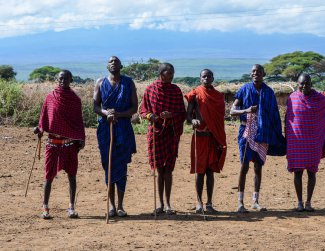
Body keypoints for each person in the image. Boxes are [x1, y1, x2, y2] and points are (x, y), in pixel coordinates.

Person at [230, 64, 286, 213]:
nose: (256, 74)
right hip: (246, 131)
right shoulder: (244, 89)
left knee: (258, 166)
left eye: (259, 72)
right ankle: (240, 202)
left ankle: (255, 201)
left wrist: (276, 134)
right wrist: (246, 110)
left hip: (263, 132)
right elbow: (232, 111)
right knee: (244, 166)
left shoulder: (268, 92)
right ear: (251, 74)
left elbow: (274, 114)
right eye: (254, 71)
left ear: (263, 74)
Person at [34, 70, 86, 219]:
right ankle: (45, 208)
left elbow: (78, 122)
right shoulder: (50, 97)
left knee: (72, 176)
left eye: (66, 78)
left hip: (69, 145)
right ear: (57, 80)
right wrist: (40, 129)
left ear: (71, 80)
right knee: (48, 177)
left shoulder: (75, 100)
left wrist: (81, 137)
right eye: (61, 78)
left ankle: (71, 207)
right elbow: (44, 118)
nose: (63, 81)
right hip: (52, 144)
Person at [93, 56, 137, 217]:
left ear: (121, 65)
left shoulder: (128, 82)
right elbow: (95, 106)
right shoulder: (100, 82)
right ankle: (111, 205)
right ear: (107, 66)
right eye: (110, 62)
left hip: (123, 128)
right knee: (108, 165)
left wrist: (119, 114)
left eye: (116, 62)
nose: (113, 64)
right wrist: (106, 113)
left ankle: (120, 205)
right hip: (105, 128)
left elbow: (134, 107)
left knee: (121, 167)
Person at [140, 63, 186, 215]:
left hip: (171, 133)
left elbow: (182, 113)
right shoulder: (150, 89)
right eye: (169, 72)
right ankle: (159, 203)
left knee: (169, 169)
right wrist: (150, 116)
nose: (172, 75)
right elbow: (143, 110)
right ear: (161, 73)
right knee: (160, 169)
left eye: (173, 72)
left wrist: (171, 115)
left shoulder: (176, 90)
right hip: (156, 132)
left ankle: (168, 203)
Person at [285, 73, 325, 212]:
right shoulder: (292, 98)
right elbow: (288, 118)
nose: (304, 86)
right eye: (301, 83)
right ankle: (299, 203)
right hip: (296, 142)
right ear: (297, 84)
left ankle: (309, 202)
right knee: (297, 173)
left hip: (312, 142)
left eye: (307, 83)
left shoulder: (320, 99)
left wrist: (320, 130)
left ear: (311, 83)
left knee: (312, 173)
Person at [185, 69, 227, 214]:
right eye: (204, 76)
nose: (206, 78)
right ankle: (198, 202)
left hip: (213, 137)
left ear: (213, 78)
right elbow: (188, 116)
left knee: (210, 171)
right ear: (200, 78)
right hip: (199, 137)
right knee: (200, 171)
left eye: (209, 76)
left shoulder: (218, 96)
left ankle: (209, 203)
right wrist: (193, 120)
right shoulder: (195, 94)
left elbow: (220, 119)